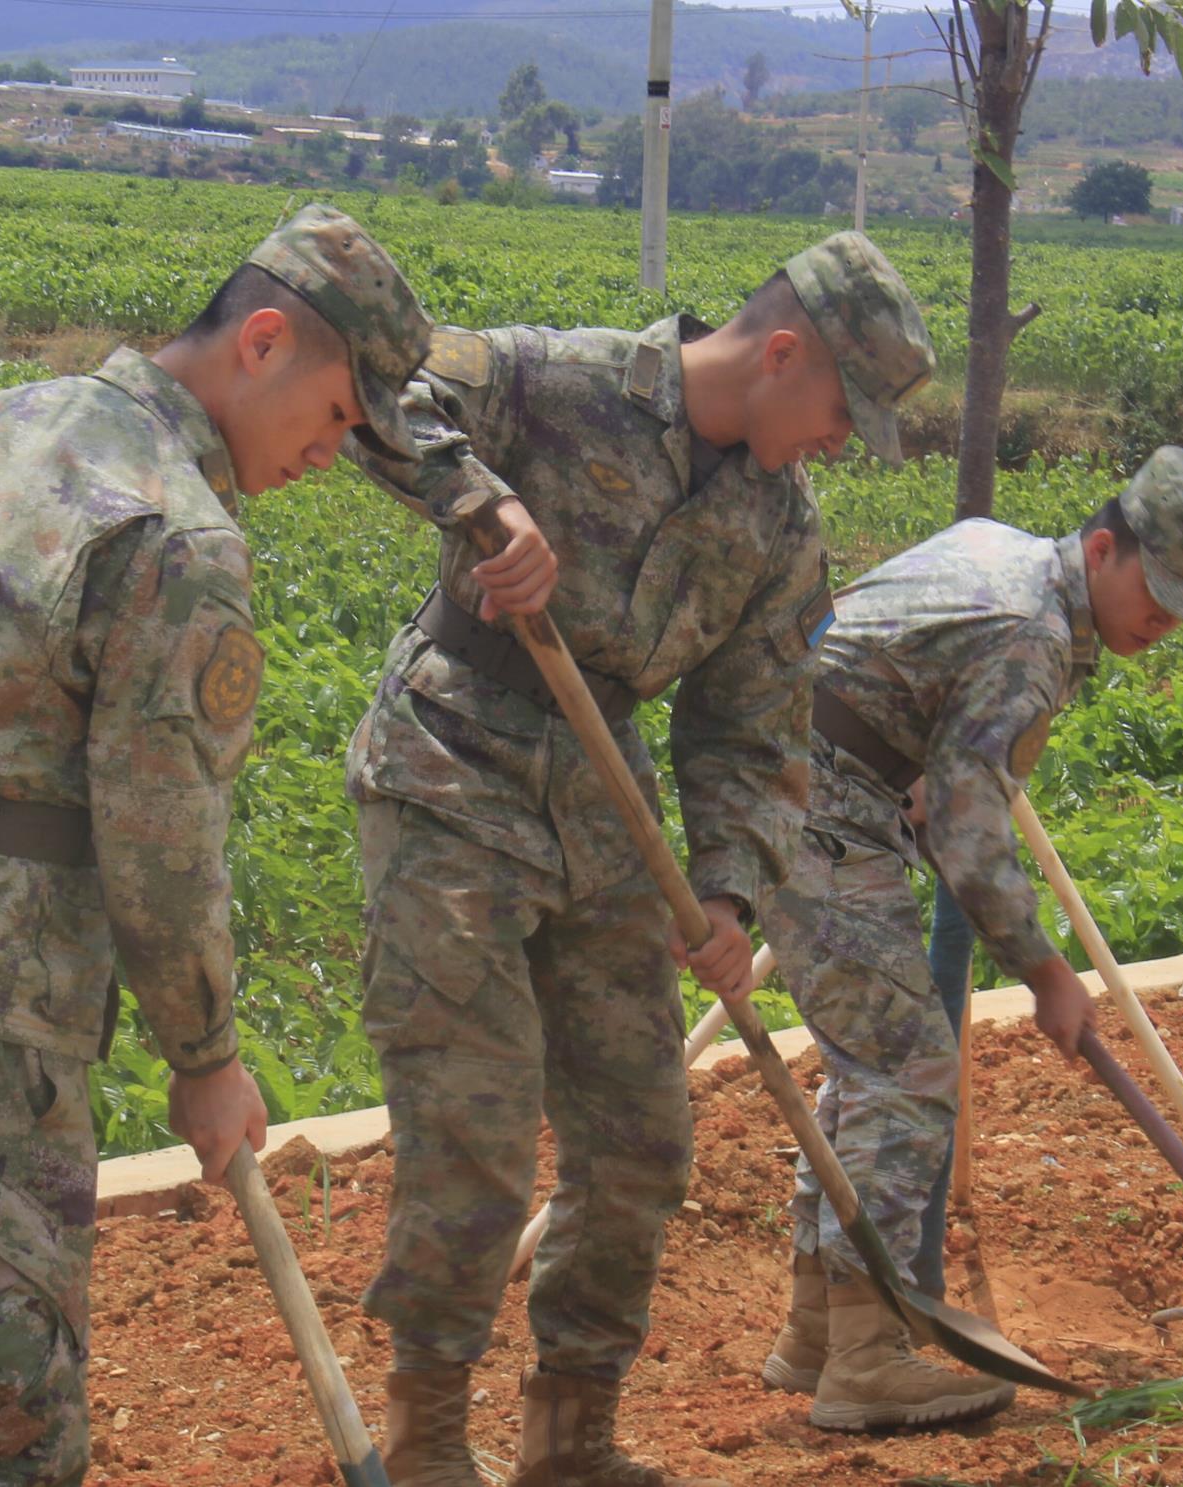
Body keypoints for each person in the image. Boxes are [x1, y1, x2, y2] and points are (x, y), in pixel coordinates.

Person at [0, 205, 433, 1487]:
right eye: (341, 414)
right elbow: (161, 844)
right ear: (261, 341)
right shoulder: (178, 536)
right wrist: (207, 1056)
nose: (331, 452)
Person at [343, 231, 936, 1487]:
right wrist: (478, 499)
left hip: (606, 818)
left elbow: (751, 723)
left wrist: (728, 887)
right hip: (452, 768)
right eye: (842, 409)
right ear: (781, 354)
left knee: (639, 1136)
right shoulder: (552, 379)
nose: (840, 440)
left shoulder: (778, 521)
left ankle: (569, 1437)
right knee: (477, 1127)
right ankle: (427, 1441)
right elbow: (379, 383)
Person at [756, 446, 1183, 1432]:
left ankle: (817, 1330)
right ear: (1102, 545)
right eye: (1149, 596)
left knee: (869, 1063)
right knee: (903, 1073)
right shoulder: (1030, 631)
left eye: (1174, 612)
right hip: (809, 800)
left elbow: (900, 706)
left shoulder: (1001, 552)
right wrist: (1042, 968)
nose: (1156, 625)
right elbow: (966, 815)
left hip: (786, 776)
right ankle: (865, 1358)